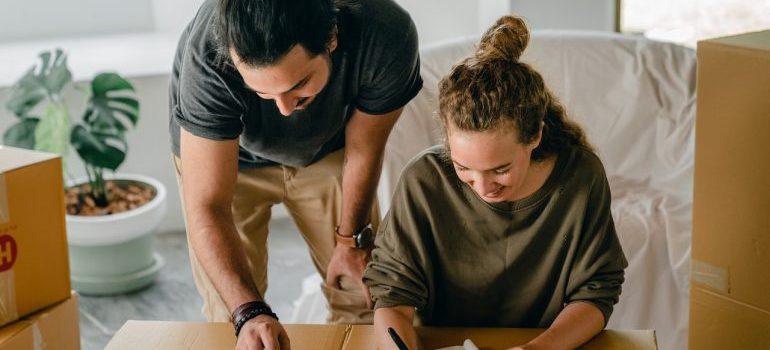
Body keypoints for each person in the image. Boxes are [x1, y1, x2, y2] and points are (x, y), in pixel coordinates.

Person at [168, 0, 422, 348]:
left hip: (329, 149)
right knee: (232, 317)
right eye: (261, 92)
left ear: (332, 38)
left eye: (298, 84)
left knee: (360, 296)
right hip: (227, 159)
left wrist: (350, 241)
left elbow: (364, 148)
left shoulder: (386, 33)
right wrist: (248, 312)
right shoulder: (208, 54)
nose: (285, 109)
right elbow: (208, 206)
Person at [364, 16, 627, 350]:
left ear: (534, 136)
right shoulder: (424, 180)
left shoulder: (581, 176)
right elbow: (392, 295)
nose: (483, 188)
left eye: (500, 170)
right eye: (464, 169)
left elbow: (597, 291)